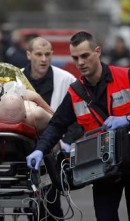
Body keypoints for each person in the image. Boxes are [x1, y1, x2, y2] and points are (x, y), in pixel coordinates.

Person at [26, 31, 130, 221]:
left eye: (85, 56)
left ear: (98, 52)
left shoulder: (127, 77)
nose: (80, 63)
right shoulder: (75, 92)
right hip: (105, 170)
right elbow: (56, 126)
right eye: (75, 58)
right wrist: (39, 150)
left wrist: (128, 119)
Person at [22, 37, 82, 220]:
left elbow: (80, 118)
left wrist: (67, 142)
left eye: (47, 54)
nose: (43, 59)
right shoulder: (17, 79)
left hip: (54, 151)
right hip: (23, 151)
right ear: (28, 54)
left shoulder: (66, 80)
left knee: (52, 203)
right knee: (28, 205)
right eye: (39, 54)